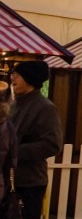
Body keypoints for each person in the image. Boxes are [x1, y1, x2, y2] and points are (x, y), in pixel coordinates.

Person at [8, 61, 62, 219]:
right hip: (9, 178)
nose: (13, 78)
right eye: (12, 74)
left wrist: (15, 151)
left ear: (30, 79)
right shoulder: (14, 104)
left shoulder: (45, 108)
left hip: (29, 182)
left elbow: (52, 144)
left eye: (17, 75)